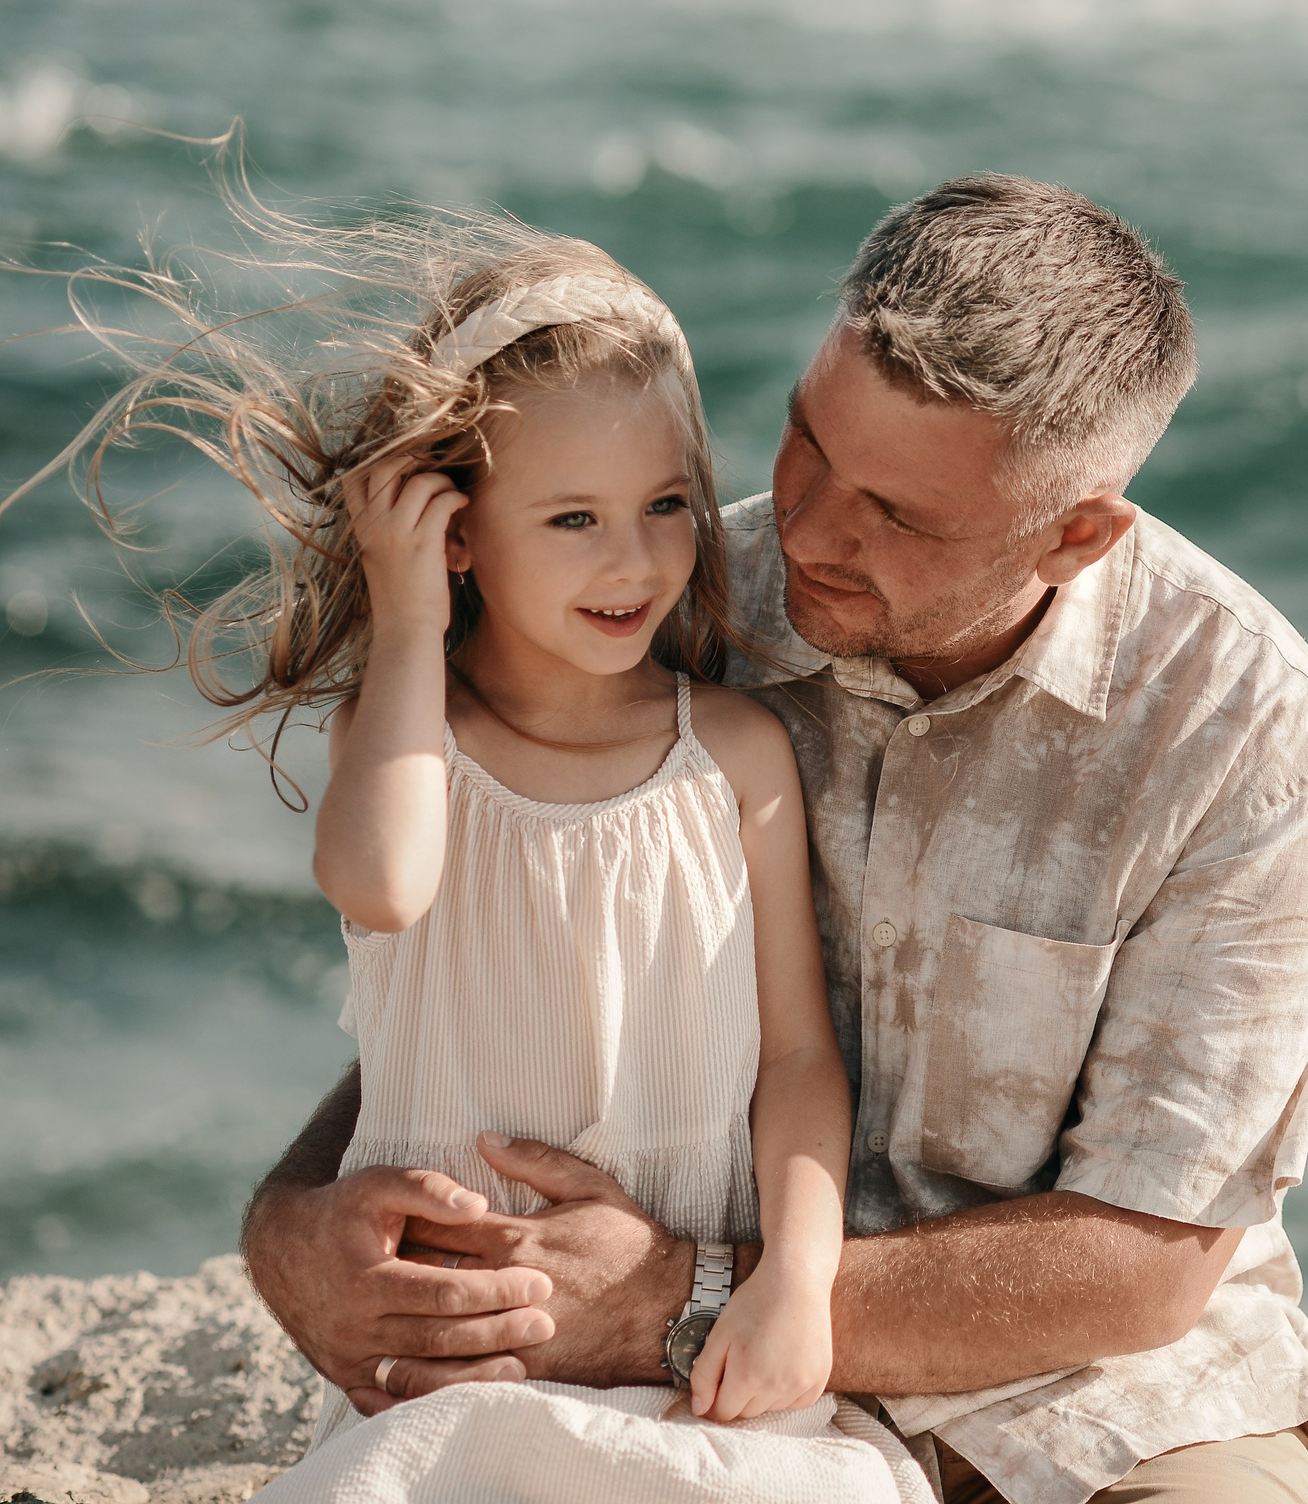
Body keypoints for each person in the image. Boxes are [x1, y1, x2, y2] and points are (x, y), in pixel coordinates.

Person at [240, 176, 1308, 1504]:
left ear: (1076, 533)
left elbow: (1143, 1264)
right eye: (807, 442)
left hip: (1094, 1396)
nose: (813, 530)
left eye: (899, 514)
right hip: (681, 1382)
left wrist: (687, 1293)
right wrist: (292, 1225)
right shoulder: (675, 601)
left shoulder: (1237, 734)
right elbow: (499, 936)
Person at [31, 221, 929, 1504]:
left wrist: (794, 1277)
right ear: (456, 530)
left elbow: (795, 1053)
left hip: (681, 1328)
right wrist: (403, 622)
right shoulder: (409, 743)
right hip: (463, 1338)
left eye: (665, 504)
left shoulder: (733, 752)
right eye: (571, 517)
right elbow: (381, 884)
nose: (634, 561)